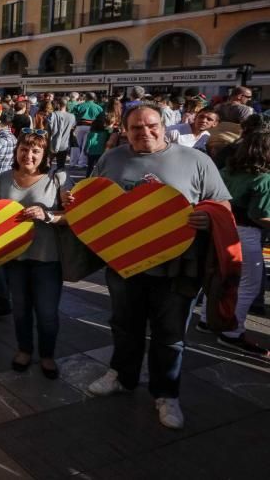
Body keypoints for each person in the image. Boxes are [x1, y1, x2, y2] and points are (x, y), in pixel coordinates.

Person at [80, 102, 232, 430]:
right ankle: (122, 375)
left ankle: (167, 394)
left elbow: (222, 204)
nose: (145, 132)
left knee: (171, 333)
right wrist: (74, 202)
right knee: (123, 324)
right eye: (136, 128)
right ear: (125, 130)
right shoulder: (112, 158)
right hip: (123, 262)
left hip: (177, 266)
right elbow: (93, 198)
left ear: (164, 127)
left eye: (151, 126)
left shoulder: (197, 160)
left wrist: (209, 216)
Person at [195, 116, 270, 356]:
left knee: (218, 276)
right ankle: (232, 332)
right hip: (245, 233)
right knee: (247, 285)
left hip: (220, 227)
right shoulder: (263, 179)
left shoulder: (227, 170)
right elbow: (259, 214)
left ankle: (207, 319)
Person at [0, 130, 69, 379]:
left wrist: (47, 215)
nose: (28, 155)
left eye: (35, 151)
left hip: (47, 258)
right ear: (16, 151)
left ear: (44, 154)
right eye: (24, 149)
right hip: (15, 257)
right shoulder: (4, 178)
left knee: (47, 312)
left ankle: (47, 354)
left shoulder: (57, 179)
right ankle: (24, 349)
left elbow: (72, 216)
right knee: (20, 309)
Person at [47, 100, 77, 171]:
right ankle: (58, 180)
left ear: (58, 105)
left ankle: (46, 178)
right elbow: (73, 128)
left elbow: (48, 129)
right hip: (64, 144)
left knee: (47, 163)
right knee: (61, 166)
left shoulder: (53, 114)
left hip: (52, 143)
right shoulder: (72, 116)